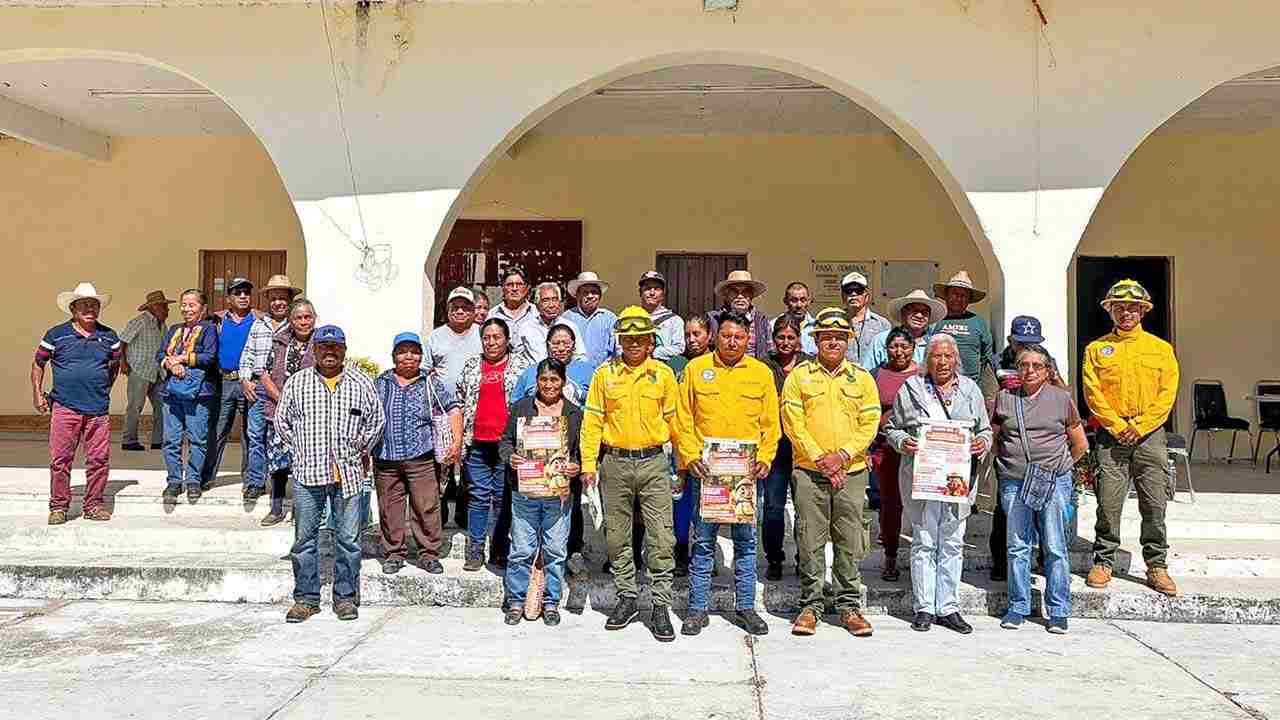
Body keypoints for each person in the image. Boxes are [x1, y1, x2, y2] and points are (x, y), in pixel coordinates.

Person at [580, 306, 683, 642]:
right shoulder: (604, 375)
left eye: (641, 338)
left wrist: (681, 464)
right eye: (629, 338)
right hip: (615, 463)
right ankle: (626, 597)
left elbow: (677, 424)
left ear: (651, 341)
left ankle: (660, 605)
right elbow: (592, 422)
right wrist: (587, 465)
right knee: (617, 535)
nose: (635, 343)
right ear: (620, 340)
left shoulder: (664, 375)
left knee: (661, 537)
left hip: (654, 463)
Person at [676, 311, 781, 637]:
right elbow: (683, 418)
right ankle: (697, 609)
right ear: (714, 337)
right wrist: (690, 456)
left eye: (739, 336)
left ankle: (746, 607)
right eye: (726, 336)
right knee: (704, 541)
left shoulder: (761, 373)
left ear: (749, 339)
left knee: (746, 544)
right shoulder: (696, 369)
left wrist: (765, 458)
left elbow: (770, 424)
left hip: (746, 476)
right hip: (706, 474)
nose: (732, 341)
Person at [782, 308, 881, 637]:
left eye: (839, 337)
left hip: (851, 472)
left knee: (848, 540)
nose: (833, 342)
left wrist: (842, 455)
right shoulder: (799, 375)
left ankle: (849, 607)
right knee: (809, 539)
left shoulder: (862, 378)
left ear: (848, 341)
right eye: (827, 337)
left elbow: (870, 422)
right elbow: (792, 421)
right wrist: (820, 457)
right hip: (810, 472)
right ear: (816, 340)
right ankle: (811, 605)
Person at [276, 325, 384, 623]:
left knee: (349, 541)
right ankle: (306, 599)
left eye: (335, 347)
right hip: (308, 473)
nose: (329, 352)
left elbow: (376, 420)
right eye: (323, 346)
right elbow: (282, 422)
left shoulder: (361, 383)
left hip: (348, 474)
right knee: (304, 540)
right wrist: (299, 449)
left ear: (344, 350)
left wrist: (360, 449)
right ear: (315, 350)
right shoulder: (297, 383)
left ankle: (345, 598)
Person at [885, 333, 991, 634]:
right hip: (924, 477)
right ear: (927, 360)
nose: (942, 362)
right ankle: (924, 608)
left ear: (956, 359)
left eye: (947, 356)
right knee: (924, 541)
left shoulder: (970, 389)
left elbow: (984, 430)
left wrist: (981, 443)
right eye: (936, 356)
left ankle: (948, 607)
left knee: (953, 541)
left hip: (957, 478)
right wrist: (903, 441)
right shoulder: (913, 388)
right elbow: (892, 427)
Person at [1082, 279, 1180, 597]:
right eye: (1119, 307)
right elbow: (1092, 392)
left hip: (1149, 435)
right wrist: (1114, 424)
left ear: (1143, 312)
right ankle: (1104, 561)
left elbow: (1167, 394)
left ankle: (1156, 565)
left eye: (1133, 308)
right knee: (1108, 503)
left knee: (1154, 504)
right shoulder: (1096, 349)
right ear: (1110, 310)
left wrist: (1140, 426)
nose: (1126, 313)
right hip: (1111, 435)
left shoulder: (1161, 350)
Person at [992, 344, 1089, 634]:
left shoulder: (1062, 399)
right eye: (1024, 365)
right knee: (1017, 546)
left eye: (1037, 365)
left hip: (1053, 480)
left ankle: (1058, 610)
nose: (1030, 370)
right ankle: (1018, 606)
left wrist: (1061, 469)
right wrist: (1007, 464)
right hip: (1015, 481)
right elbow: (995, 438)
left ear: (1048, 371)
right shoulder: (1004, 399)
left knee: (1055, 546)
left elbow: (1080, 444)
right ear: (1016, 369)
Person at [499, 358, 584, 627]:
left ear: (563, 382)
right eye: (544, 379)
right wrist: (510, 456)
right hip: (525, 492)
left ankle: (550, 601)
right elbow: (505, 441)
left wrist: (576, 467)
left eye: (554, 380)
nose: (548, 385)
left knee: (556, 550)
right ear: (537, 381)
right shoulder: (521, 408)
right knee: (521, 549)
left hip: (558, 495)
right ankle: (515, 600)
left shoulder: (574, 414)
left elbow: (583, 451)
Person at [372, 332, 463, 576]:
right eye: (403, 351)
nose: (409, 356)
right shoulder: (380, 382)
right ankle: (394, 553)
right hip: (385, 458)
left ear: (421, 356)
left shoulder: (431, 382)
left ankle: (428, 554)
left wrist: (456, 441)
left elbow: (453, 407)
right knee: (389, 508)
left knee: (426, 507)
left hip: (421, 457)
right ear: (394, 356)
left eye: (414, 351)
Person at [33, 282, 122, 525]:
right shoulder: (56, 335)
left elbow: (115, 366)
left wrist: (102, 388)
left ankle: (93, 505)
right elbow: (38, 363)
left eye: (94, 305)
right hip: (64, 407)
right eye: (84, 305)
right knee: (60, 460)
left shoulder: (110, 337)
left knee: (99, 460)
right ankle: (59, 507)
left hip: (98, 410)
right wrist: (38, 393)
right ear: (73, 309)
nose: (90, 309)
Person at [457, 317, 532, 570]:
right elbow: (459, 400)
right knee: (477, 497)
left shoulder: (522, 366)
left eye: (496, 337)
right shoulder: (471, 366)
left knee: (502, 498)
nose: (491, 342)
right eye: (486, 338)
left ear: (507, 339)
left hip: (506, 445)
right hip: (477, 443)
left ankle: (500, 548)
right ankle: (475, 549)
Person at [237, 275, 301, 501]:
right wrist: (245, 379)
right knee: (255, 435)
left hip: (284, 389)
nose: (278, 303)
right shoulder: (258, 324)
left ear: (290, 300)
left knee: (282, 438)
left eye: (282, 298)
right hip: (258, 388)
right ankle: (255, 482)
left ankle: (280, 483)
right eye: (273, 298)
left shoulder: (296, 326)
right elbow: (247, 354)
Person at [759, 314, 812, 580]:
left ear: (799, 340)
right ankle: (775, 557)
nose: (785, 342)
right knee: (773, 505)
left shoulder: (809, 365)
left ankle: (805, 557)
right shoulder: (764, 366)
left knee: (805, 506)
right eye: (781, 337)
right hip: (775, 446)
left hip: (804, 445)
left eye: (791, 337)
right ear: (773, 338)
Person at [426, 286, 483, 529]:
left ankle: (463, 517)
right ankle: (438, 521)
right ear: (447, 310)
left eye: (465, 307)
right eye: (455, 307)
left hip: (475, 413)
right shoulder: (435, 337)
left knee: (470, 471)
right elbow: (425, 372)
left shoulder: (483, 335)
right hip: (442, 415)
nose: (460, 311)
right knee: (441, 468)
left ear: (473, 310)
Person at [157, 290, 220, 502]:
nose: (187, 309)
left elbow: (209, 356)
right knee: (171, 439)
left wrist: (182, 359)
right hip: (172, 392)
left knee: (197, 439)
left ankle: (193, 480)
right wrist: (170, 364)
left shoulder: (209, 330)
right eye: (184, 305)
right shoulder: (174, 329)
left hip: (199, 393)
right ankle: (174, 480)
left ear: (203, 308)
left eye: (192, 305)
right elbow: (160, 353)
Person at [259, 298, 317, 526]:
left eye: (308, 317)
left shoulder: (323, 341)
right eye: (298, 318)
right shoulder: (279, 342)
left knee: (305, 462)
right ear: (291, 321)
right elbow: (264, 374)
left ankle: (301, 510)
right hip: (279, 412)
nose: (304, 322)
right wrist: (283, 400)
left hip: (312, 413)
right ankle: (276, 508)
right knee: (278, 462)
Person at [867, 327, 920, 582]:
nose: (899, 351)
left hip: (921, 450)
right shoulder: (876, 375)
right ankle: (890, 555)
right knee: (890, 504)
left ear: (913, 348)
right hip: (885, 448)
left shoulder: (924, 375)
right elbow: (867, 412)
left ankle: (923, 558)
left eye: (904, 346)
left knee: (922, 505)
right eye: (893, 346)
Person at [203, 277, 262, 496]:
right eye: (238, 293)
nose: (243, 296)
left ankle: (251, 481)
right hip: (225, 381)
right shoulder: (217, 320)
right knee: (217, 431)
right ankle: (206, 477)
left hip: (250, 383)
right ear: (229, 297)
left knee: (251, 434)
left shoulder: (259, 320)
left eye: (247, 292)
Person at [669, 314, 713, 575]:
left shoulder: (716, 363)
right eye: (687, 334)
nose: (692, 339)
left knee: (707, 503)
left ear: (709, 335)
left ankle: (704, 553)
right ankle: (681, 551)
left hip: (709, 446)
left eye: (697, 334)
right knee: (681, 501)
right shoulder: (675, 364)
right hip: (678, 443)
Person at [119, 290, 174, 452]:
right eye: (165, 307)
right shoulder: (140, 321)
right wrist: (123, 362)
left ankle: (158, 441)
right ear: (155, 307)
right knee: (135, 406)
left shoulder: (163, 325)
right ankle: (129, 440)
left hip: (157, 371)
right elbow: (123, 341)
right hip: (139, 369)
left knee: (162, 406)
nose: (167, 310)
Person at [931, 271, 995, 383]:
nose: (958, 299)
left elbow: (987, 357)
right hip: (938, 384)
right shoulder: (935, 320)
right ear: (946, 296)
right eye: (955, 294)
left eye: (963, 295)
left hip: (971, 385)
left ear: (969, 300)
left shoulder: (978, 322)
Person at [511, 323, 595, 406]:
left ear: (574, 346)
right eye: (556, 343)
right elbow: (515, 404)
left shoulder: (587, 371)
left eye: (566, 343)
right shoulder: (531, 372)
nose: (561, 348)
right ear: (547, 345)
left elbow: (597, 403)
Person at [861, 289, 945, 370]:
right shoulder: (881, 340)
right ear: (903, 313)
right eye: (914, 310)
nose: (919, 315)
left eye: (924, 312)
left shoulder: (934, 344)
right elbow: (867, 373)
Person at [513, 281, 584, 364]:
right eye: (545, 300)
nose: (551, 305)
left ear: (560, 303)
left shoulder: (570, 326)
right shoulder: (526, 328)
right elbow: (517, 357)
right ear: (537, 304)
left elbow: (580, 356)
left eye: (555, 299)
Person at [705, 270, 771, 359]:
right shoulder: (713, 319)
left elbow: (769, 350)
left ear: (751, 295)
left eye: (745, 292)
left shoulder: (762, 320)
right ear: (727, 294)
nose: (740, 296)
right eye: (734, 291)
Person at [563, 271, 618, 368]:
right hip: (573, 374)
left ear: (600, 296)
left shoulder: (610, 318)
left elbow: (616, 349)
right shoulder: (567, 317)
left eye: (594, 292)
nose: (590, 296)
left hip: (602, 373)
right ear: (577, 295)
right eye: (585, 292)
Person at [839, 271, 892, 364]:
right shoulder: (836, 322)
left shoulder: (882, 324)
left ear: (866, 296)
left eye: (858, 291)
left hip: (872, 377)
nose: (853, 294)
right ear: (843, 297)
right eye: (848, 291)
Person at [638, 271, 685, 362]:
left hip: (662, 371)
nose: (652, 293)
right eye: (647, 288)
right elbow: (620, 347)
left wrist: (652, 352)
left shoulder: (674, 320)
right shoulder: (630, 317)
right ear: (640, 292)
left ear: (663, 293)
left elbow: (679, 348)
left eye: (656, 289)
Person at [770, 281, 817, 356]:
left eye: (803, 300)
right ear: (785, 301)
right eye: (794, 300)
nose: (799, 305)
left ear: (809, 301)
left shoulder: (816, 327)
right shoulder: (772, 326)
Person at [487, 269, 536, 339]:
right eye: (510, 285)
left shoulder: (536, 313)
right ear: (503, 288)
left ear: (527, 288)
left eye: (519, 284)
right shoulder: (493, 314)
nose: (514, 289)